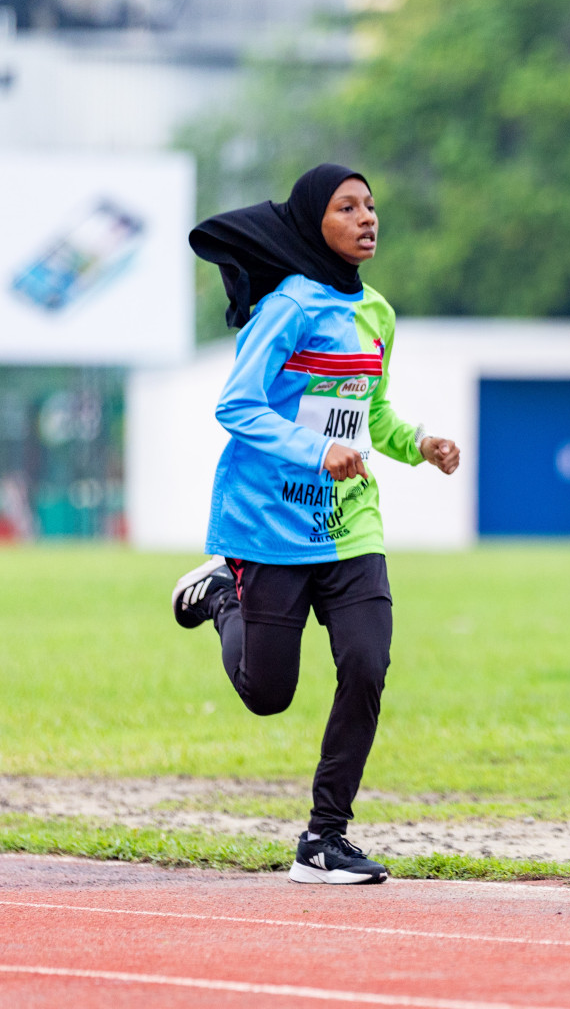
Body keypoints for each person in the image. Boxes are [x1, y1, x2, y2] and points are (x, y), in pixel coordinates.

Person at [170, 164, 460, 885]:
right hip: (268, 523)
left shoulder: (378, 315)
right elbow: (236, 406)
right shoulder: (288, 309)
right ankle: (218, 596)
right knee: (268, 694)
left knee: (366, 665)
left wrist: (419, 443)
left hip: (349, 525)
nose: (368, 218)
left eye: (371, 206)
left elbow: (372, 414)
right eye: (347, 207)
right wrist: (316, 449)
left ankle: (325, 838)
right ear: (312, 224)